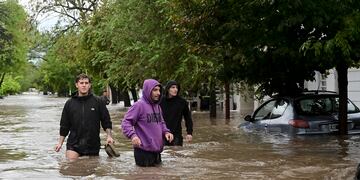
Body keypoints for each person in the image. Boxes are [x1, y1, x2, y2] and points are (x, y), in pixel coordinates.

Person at [54, 73, 114, 160]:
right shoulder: (69, 103)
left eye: (86, 83)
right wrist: (60, 143)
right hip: (74, 144)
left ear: (89, 85)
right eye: (81, 83)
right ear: (76, 85)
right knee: (71, 166)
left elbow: (106, 121)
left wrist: (109, 136)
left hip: (93, 144)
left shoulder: (98, 102)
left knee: (91, 170)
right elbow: (64, 125)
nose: (84, 85)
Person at [121, 79, 173, 167]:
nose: (158, 93)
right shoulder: (138, 105)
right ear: (148, 90)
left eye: (159, 90)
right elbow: (126, 122)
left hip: (156, 151)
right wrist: (133, 136)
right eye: (155, 90)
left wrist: (166, 132)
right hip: (143, 152)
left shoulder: (158, 107)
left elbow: (161, 123)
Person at [160, 80, 193, 146]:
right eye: (173, 87)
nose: (176, 89)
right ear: (168, 89)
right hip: (162, 134)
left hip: (177, 134)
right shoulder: (160, 101)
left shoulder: (182, 102)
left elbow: (188, 118)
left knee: (177, 153)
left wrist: (189, 133)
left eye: (177, 88)